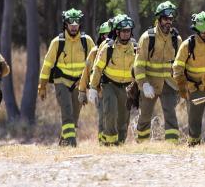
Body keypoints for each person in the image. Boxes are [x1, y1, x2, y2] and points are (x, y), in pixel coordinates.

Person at [38, 8, 95, 146]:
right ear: (65, 24)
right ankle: (71, 144)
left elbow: (95, 64)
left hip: (79, 84)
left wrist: (93, 85)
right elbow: (47, 65)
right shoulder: (57, 42)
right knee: (67, 112)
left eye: (76, 23)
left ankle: (63, 143)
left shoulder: (86, 41)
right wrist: (42, 86)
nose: (74, 26)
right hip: (61, 82)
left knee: (74, 117)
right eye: (71, 23)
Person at [173, 11, 205, 146]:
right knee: (194, 122)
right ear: (196, 29)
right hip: (194, 89)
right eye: (202, 31)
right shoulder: (187, 45)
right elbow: (177, 67)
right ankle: (193, 145)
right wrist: (182, 87)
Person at [133, 1, 183, 142]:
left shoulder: (176, 39)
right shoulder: (147, 38)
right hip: (150, 84)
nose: (168, 22)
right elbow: (139, 64)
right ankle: (142, 143)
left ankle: (172, 144)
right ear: (159, 19)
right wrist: (143, 84)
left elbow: (180, 64)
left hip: (169, 84)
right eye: (166, 19)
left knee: (171, 114)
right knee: (145, 116)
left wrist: (182, 86)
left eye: (171, 19)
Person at [89, 14, 137, 146]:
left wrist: (140, 87)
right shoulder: (108, 48)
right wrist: (93, 87)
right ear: (117, 32)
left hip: (127, 87)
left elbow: (139, 69)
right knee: (110, 113)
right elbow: (97, 68)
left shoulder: (135, 48)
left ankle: (120, 143)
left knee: (123, 118)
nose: (126, 34)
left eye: (128, 31)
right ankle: (110, 144)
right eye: (123, 31)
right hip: (109, 85)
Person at [79, 18, 117, 144]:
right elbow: (86, 71)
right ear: (101, 36)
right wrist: (82, 91)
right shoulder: (95, 52)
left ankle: (114, 141)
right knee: (103, 117)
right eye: (105, 35)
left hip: (116, 89)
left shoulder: (118, 50)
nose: (107, 37)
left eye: (110, 34)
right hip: (100, 91)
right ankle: (103, 142)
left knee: (115, 117)